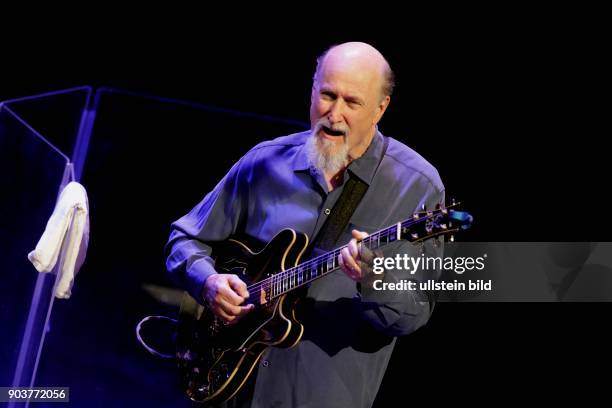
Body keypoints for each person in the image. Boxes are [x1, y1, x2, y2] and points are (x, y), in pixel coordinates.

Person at [166, 42, 445, 408]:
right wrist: (209, 281)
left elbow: (413, 314)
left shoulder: (416, 186)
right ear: (312, 89)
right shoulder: (265, 162)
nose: (335, 113)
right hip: (232, 390)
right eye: (327, 95)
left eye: (352, 102)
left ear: (381, 108)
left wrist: (374, 279)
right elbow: (184, 238)